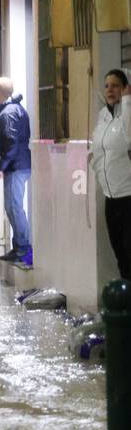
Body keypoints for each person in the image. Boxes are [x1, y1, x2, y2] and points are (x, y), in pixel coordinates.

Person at [91, 69, 131, 279]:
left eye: (115, 85)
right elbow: (97, 149)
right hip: (111, 196)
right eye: (107, 86)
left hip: (128, 195)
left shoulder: (128, 113)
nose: (110, 90)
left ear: (125, 88)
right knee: (120, 253)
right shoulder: (103, 116)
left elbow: (129, 137)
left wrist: (128, 102)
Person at [0, 78, 32, 267]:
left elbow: (11, 142)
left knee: (14, 206)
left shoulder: (8, 113)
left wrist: (1, 166)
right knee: (13, 207)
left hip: (16, 166)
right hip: (18, 164)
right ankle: (20, 246)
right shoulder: (16, 109)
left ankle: (23, 247)